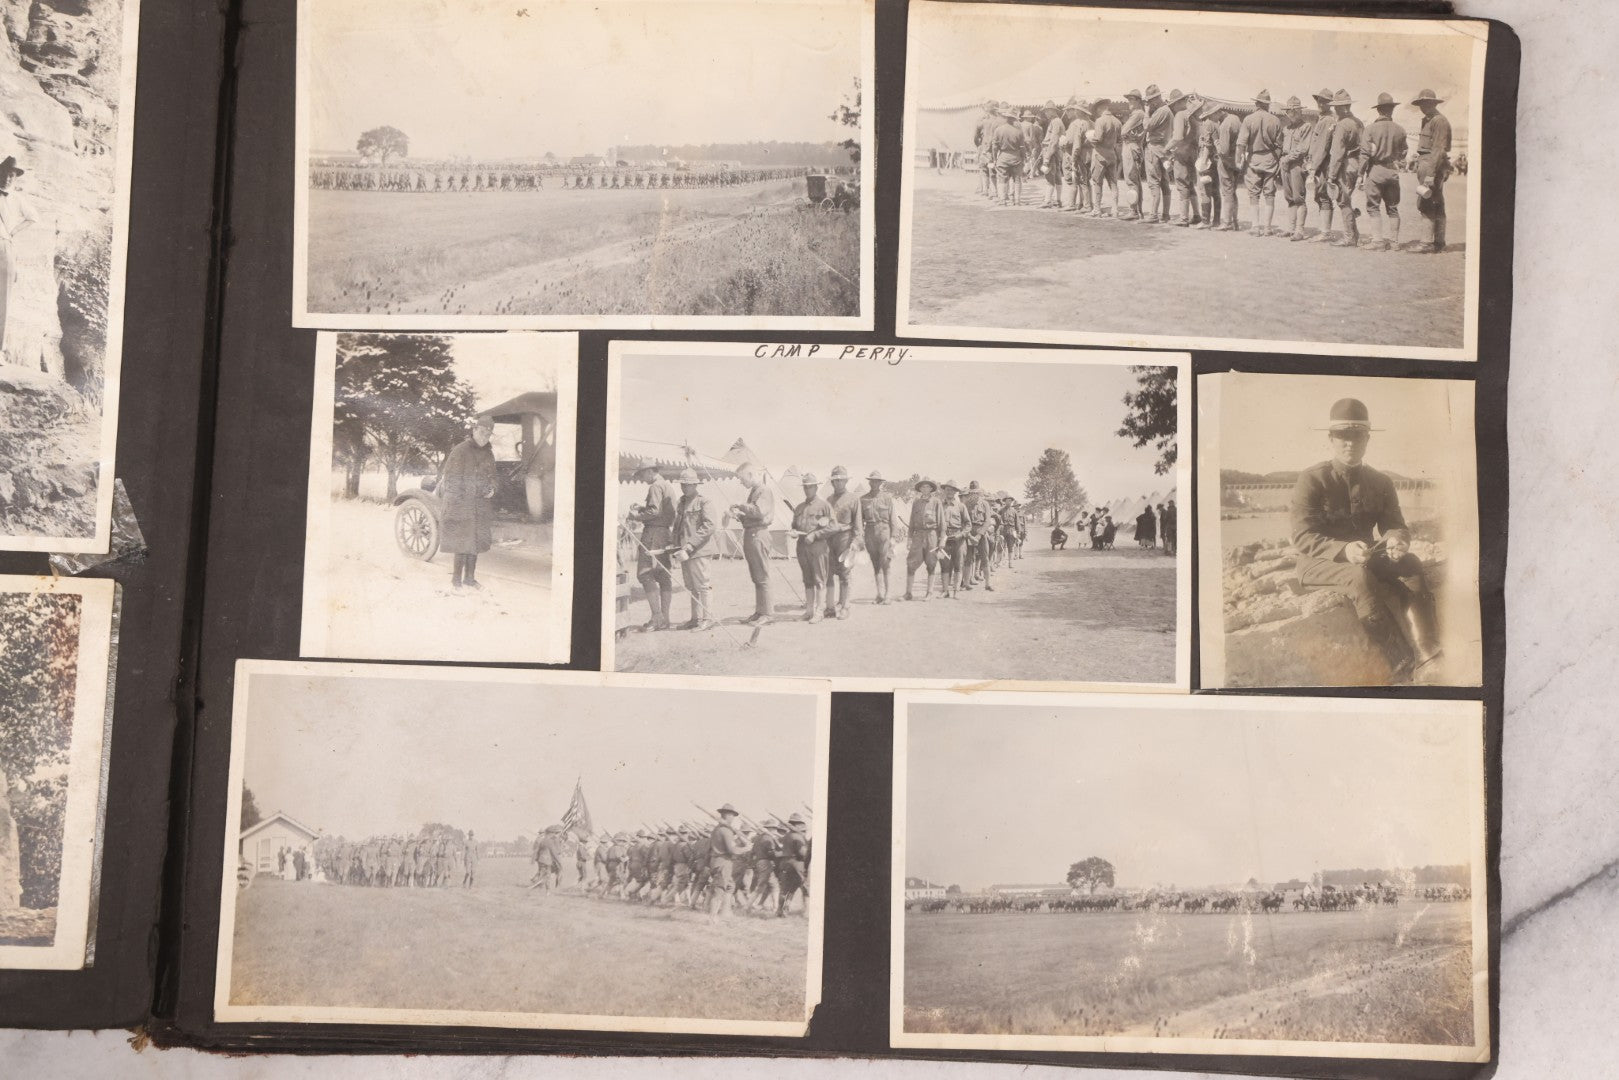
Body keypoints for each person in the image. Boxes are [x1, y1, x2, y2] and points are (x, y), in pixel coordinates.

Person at [1289, 398, 1440, 681]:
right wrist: (1344, 550)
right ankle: (1401, 665)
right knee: (1358, 578)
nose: (1350, 443)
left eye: (1357, 436)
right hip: (1317, 562)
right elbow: (1302, 536)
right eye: (1342, 436)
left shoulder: (1381, 482)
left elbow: (1395, 525)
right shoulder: (1312, 479)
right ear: (1331, 439)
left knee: (1411, 564)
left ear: (1367, 439)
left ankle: (1428, 654)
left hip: (1365, 557)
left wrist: (1396, 541)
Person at [441, 416, 497, 591]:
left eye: (488, 434)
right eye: (482, 432)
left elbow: (494, 477)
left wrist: (493, 489)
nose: (484, 436)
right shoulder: (460, 451)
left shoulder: (488, 453)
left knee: (475, 542)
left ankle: (470, 579)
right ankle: (456, 581)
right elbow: (451, 480)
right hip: (462, 504)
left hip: (480, 505)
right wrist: (460, 501)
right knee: (462, 542)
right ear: (474, 430)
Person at [627, 459, 677, 630]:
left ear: (650, 471)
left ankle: (657, 618)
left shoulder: (655, 486)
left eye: (642, 475)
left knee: (644, 573)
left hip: (653, 534)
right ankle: (665, 618)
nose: (642, 478)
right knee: (663, 575)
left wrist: (635, 516)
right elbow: (661, 510)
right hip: (665, 533)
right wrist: (643, 508)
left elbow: (654, 512)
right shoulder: (666, 485)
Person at [729, 460, 777, 625]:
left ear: (750, 475)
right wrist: (739, 515)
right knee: (756, 576)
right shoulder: (755, 491)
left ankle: (768, 614)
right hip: (752, 534)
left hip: (759, 535)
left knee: (762, 576)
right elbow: (753, 515)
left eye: (742, 478)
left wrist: (741, 506)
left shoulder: (764, 490)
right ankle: (760, 611)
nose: (741, 482)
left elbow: (759, 511)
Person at [1360, 92, 1408, 251]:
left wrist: (1360, 174)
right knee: (1393, 208)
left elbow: (1364, 154)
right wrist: (1395, 159)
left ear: (1378, 110)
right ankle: (1394, 242)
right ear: (1392, 109)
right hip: (1392, 171)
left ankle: (1378, 241)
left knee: (1373, 207)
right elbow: (1404, 152)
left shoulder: (1370, 129)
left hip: (1375, 171)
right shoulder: (1400, 130)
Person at [0, 154, 35, 364]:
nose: (7, 179)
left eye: (11, 176)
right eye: (5, 174)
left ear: (15, 178)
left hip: (4, 246)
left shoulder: (18, 199)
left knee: (3, 299)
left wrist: (12, 231)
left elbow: (33, 218)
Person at [671, 468, 716, 630]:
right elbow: (678, 527)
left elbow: (709, 525)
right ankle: (695, 619)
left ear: (695, 485)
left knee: (703, 585)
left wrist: (691, 545)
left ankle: (708, 619)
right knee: (691, 586)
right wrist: (674, 545)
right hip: (684, 551)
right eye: (682, 484)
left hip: (699, 550)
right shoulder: (681, 503)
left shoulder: (704, 502)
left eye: (688, 484)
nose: (684, 487)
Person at [1409, 89, 1452, 254]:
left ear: (1433, 103)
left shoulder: (1439, 121)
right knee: (1437, 202)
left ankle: (1427, 243)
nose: (1423, 107)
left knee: (1427, 202)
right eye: (1421, 104)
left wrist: (1430, 174)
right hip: (1428, 163)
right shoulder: (1428, 120)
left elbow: (1438, 149)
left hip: (1432, 164)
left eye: (1426, 103)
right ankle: (1439, 242)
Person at [1237, 89, 1284, 237]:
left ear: (1257, 104)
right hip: (1271, 160)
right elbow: (1280, 145)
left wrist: (1239, 159)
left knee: (1254, 194)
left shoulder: (1248, 119)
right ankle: (1268, 228)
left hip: (1254, 160)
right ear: (1268, 105)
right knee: (1270, 194)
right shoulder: (1276, 120)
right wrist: (1276, 159)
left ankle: (1256, 227)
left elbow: (1241, 144)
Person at [790, 472, 833, 623]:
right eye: (805, 487)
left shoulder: (824, 506)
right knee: (807, 579)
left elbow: (832, 527)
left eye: (810, 487)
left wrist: (815, 535)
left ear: (816, 487)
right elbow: (794, 526)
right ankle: (809, 611)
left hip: (818, 547)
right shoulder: (799, 508)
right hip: (802, 547)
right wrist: (793, 532)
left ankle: (819, 611)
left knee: (819, 578)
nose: (807, 490)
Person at [823, 466, 863, 620]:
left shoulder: (853, 499)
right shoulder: (828, 500)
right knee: (829, 573)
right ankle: (831, 606)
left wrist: (855, 542)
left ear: (846, 481)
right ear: (832, 482)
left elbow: (858, 524)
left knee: (845, 573)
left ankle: (845, 606)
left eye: (841, 480)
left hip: (845, 539)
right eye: (835, 480)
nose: (838, 483)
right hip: (830, 539)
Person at [1326, 89, 1364, 248]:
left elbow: (1337, 153)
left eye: (1336, 107)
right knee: (1347, 200)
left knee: (1343, 201)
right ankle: (1355, 235)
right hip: (1356, 164)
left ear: (1342, 107)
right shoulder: (1358, 122)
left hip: (1345, 165)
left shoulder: (1342, 125)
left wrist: (1331, 175)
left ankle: (1349, 237)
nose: (1334, 109)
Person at [1305, 87, 1339, 241]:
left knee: (1324, 196)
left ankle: (1325, 233)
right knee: (1320, 196)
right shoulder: (1324, 119)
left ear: (1330, 104)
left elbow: (1323, 147)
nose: (1320, 103)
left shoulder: (1327, 121)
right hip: (1320, 163)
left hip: (1323, 165)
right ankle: (1325, 231)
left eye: (1324, 101)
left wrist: (1313, 168)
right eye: (1319, 101)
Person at [707, 804, 751, 921]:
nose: (733, 818)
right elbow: (732, 850)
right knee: (719, 889)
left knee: (730, 886)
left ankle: (725, 912)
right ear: (727, 815)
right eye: (731, 815)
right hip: (723, 862)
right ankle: (712, 918)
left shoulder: (716, 829)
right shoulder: (726, 831)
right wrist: (746, 849)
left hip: (717, 861)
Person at [860, 469, 898, 604]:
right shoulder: (863, 499)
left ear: (880, 483)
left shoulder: (887, 498)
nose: (874, 483)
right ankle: (879, 594)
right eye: (872, 481)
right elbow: (860, 520)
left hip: (884, 532)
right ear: (869, 482)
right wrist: (860, 537)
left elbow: (893, 518)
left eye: (877, 481)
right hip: (870, 533)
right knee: (876, 565)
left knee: (886, 563)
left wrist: (893, 537)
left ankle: (888, 594)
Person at [903, 477, 943, 601]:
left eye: (927, 487)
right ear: (920, 489)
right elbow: (911, 522)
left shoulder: (936, 502)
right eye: (923, 487)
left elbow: (942, 523)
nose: (925, 489)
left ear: (931, 489)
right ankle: (908, 593)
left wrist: (941, 540)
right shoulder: (916, 502)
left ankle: (929, 592)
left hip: (932, 535)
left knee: (931, 563)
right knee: (911, 563)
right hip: (918, 536)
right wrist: (909, 538)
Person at [1279, 96, 1313, 241]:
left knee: (1299, 198)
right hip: (1285, 164)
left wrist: (1288, 159)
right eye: (1289, 111)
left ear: (1300, 111)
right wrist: (1282, 160)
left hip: (1297, 164)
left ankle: (1299, 230)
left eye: (1294, 111)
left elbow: (1303, 148)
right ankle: (1291, 228)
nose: (1291, 114)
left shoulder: (1306, 127)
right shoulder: (1286, 129)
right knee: (1289, 197)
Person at [1166, 89, 1199, 226]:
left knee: (1182, 184)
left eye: (1173, 104)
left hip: (1182, 154)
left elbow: (1178, 137)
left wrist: (1166, 148)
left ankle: (1183, 218)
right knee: (1190, 184)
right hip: (1193, 152)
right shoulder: (1192, 115)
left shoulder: (1180, 115)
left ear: (1178, 103)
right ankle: (1196, 215)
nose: (1172, 107)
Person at [1142, 86, 1173, 224]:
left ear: (1156, 98)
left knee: (1154, 182)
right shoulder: (1167, 110)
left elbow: (1146, 126)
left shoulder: (1161, 111)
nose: (1149, 103)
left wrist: (1146, 112)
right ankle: (1165, 214)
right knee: (1164, 183)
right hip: (1163, 150)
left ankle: (1154, 214)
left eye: (1150, 100)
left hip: (1154, 149)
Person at [1087, 98, 1121, 217]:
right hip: (1112, 155)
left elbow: (1098, 138)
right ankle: (1115, 209)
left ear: (1099, 108)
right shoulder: (1117, 122)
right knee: (1113, 183)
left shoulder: (1100, 121)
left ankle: (1097, 209)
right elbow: (1119, 140)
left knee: (1097, 182)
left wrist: (1089, 138)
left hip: (1100, 155)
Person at [1118, 89, 1147, 222]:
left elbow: (1123, 130)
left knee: (1131, 179)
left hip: (1131, 147)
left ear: (1138, 101)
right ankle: (1137, 210)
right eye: (1129, 99)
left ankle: (1133, 211)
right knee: (1134, 180)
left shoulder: (1138, 114)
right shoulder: (1138, 114)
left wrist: (1127, 134)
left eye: (1132, 99)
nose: (1129, 102)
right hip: (1132, 146)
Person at [938, 480, 970, 598]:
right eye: (947, 489)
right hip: (944, 539)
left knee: (958, 565)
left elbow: (968, 525)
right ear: (944, 491)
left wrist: (961, 535)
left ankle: (956, 591)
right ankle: (945, 591)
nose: (949, 492)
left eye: (952, 490)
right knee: (944, 565)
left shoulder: (961, 506)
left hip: (958, 539)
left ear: (956, 492)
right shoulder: (939, 506)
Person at [776, 814, 811, 918]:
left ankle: (780, 910)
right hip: (797, 863)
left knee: (785, 889)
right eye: (800, 824)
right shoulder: (798, 836)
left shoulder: (786, 836)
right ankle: (806, 912)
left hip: (785, 863)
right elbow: (802, 853)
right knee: (805, 887)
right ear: (797, 825)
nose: (801, 827)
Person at [1038, 103, 1066, 209]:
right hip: (1055, 152)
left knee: (1049, 176)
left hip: (1052, 152)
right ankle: (1058, 200)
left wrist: (1047, 158)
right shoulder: (1055, 121)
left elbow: (1053, 141)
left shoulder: (1056, 122)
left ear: (1052, 111)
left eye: (1047, 111)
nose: (1045, 113)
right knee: (1057, 176)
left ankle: (1047, 201)